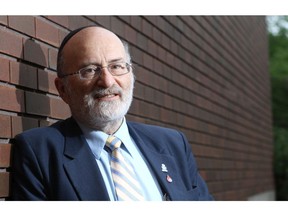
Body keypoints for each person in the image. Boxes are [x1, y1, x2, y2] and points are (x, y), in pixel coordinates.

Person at [11, 26, 213, 201]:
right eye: (90, 70)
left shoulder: (173, 144)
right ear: (62, 89)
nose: (107, 81)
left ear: (131, 74)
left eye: (116, 66)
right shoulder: (39, 153)